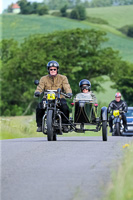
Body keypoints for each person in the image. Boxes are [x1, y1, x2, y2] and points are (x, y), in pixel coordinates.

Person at [34, 60, 72, 133]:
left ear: (57, 69)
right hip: (47, 98)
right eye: (51, 69)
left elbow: (67, 87)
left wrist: (69, 93)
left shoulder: (63, 78)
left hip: (59, 97)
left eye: (54, 69)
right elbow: (40, 87)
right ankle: (40, 125)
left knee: (65, 106)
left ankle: (65, 125)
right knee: (39, 106)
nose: (53, 70)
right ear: (48, 70)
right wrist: (37, 92)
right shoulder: (43, 78)